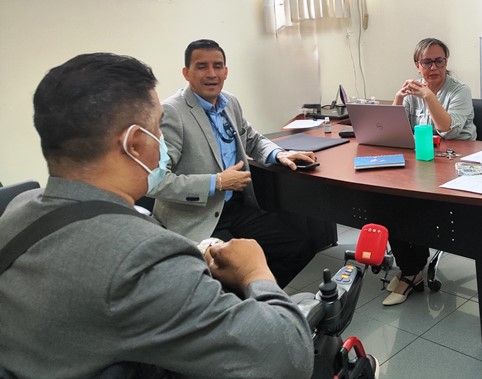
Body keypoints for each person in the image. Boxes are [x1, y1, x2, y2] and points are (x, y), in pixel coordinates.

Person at [0, 53, 313, 377]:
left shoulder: (17, 209)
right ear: (136, 144)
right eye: (157, 128)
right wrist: (254, 271)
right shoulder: (146, 258)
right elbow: (288, 357)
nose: (162, 142)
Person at [150, 39, 318, 288]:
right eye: (202, 66)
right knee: (226, 272)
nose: (211, 74)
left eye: (218, 66)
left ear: (226, 72)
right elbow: (156, 180)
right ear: (186, 73)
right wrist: (216, 182)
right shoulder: (172, 112)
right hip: (197, 217)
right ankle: (238, 305)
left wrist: (280, 154)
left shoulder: (230, 103)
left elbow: (252, 138)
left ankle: (256, 301)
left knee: (299, 247)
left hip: (237, 207)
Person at [382, 38, 477, 306]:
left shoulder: (460, 90)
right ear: (417, 65)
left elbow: (447, 129)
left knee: (408, 203)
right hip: (423, 160)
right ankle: (411, 268)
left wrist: (429, 97)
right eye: (427, 62)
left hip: (455, 161)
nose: (434, 67)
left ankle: (411, 271)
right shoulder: (412, 91)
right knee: (389, 196)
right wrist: (399, 98)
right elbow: (392, 130)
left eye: (440, 61)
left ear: (446, 63)